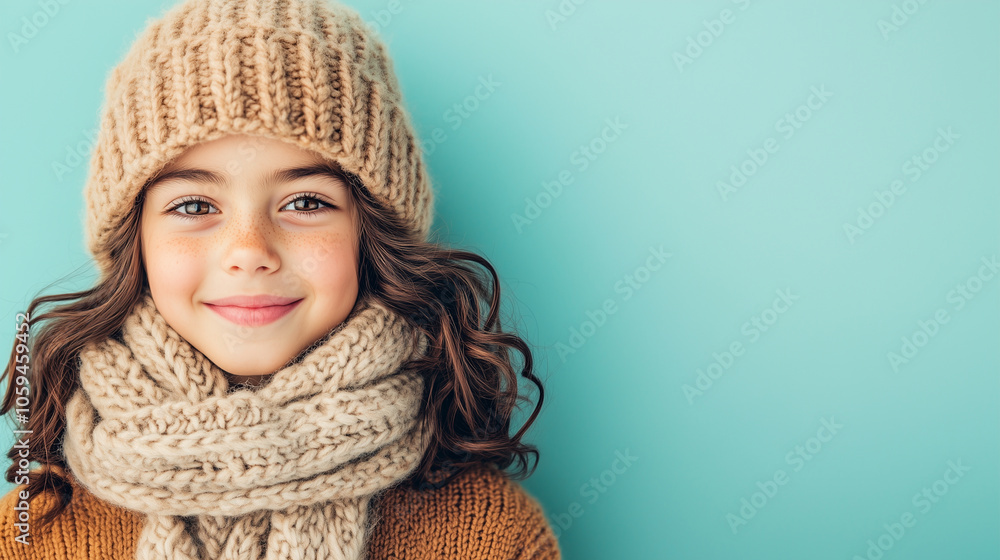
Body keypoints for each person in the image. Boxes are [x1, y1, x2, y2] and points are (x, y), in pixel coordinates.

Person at [0, 0, 559, 558]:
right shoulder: (29, 535)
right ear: (135, 239)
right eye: (194, 205)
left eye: (306, 201)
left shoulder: (492, 535)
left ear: (372, 233)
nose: (249, 251)